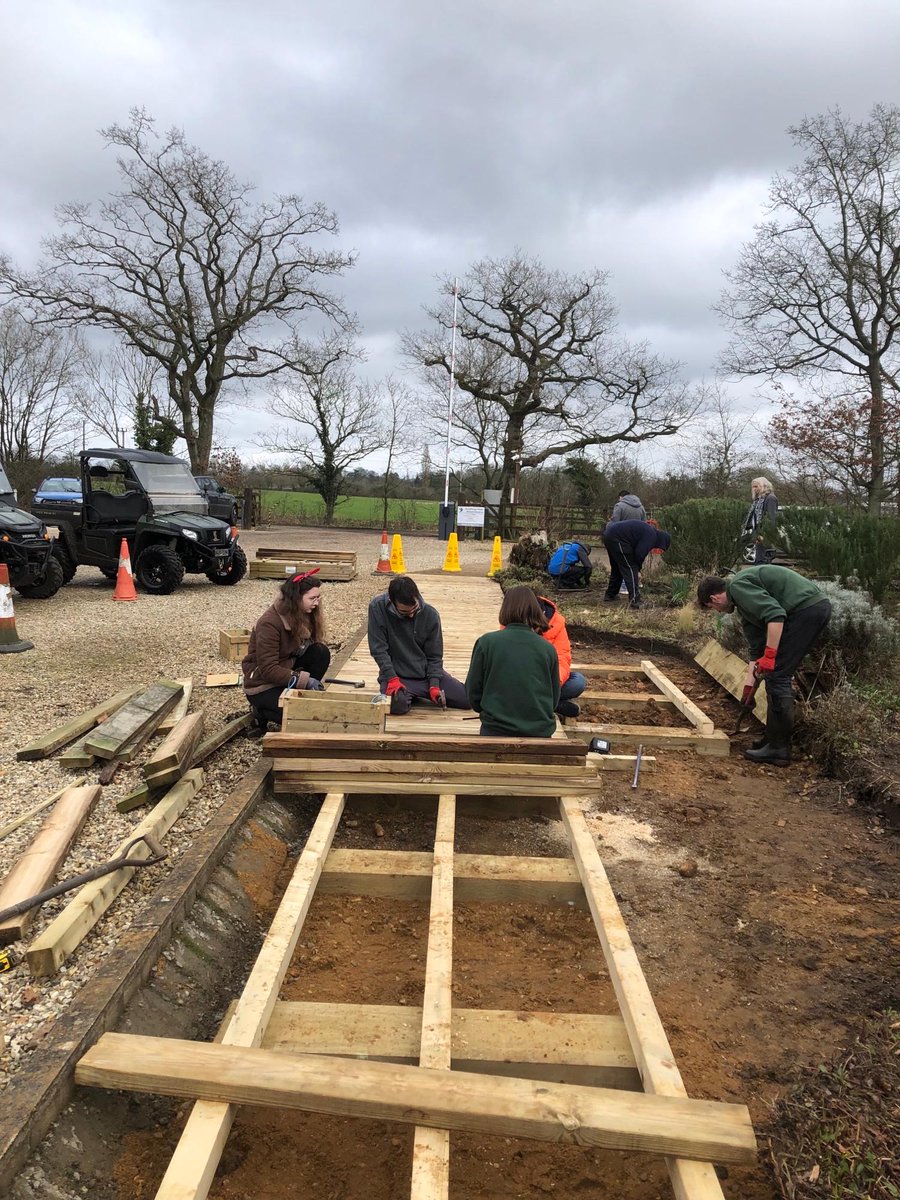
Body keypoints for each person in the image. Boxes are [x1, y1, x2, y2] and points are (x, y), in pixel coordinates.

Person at [697, 566, 831, 767]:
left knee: (777, 676)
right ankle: (772, 739)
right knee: (776, 675)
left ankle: (779, 748)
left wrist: (770, 656)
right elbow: (755, 649)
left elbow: (775, 615)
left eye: (713, 609)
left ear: (713, 600)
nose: (717, 612)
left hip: (806, 610)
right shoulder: (744, 607)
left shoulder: (738, 587)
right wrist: (749, 688)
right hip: (808, 610)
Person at [242, 569, 330, 731]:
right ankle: (261, 711)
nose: (316, 602)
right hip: (262, 683)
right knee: (300, 717)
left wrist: (304, 647)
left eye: (318, 598)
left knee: (320, 652)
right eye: (312, 598)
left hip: (286, 669)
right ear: (296, 598)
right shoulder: (269, 623)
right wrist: (304, 680)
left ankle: (302, 697)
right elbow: (268, 669)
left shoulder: (303, 612)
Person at [466, 586, 560, 737]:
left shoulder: (486, 642)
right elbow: (554, 699)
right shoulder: (547, 649)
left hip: (495, 729)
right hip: (539, 732)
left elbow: (473, 692)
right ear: (535, 610)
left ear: (505, 609)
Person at [367, 575, 469, 714]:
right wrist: (392, 678)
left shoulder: (430, 614)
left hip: (425, 675)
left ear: (417, 596)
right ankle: (408, 694)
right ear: (391, 601)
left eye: (414, 609)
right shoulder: (377, 608)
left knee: (467, 700)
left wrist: (434, 685)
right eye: (404, 612)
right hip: (397, 676)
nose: (410, 615)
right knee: (397, 707)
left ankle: (417, 693)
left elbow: (435, 656)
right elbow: (379, 650)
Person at [536, 593, 586, 719]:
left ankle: (539, 700)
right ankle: (551, 704)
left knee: (577, 682)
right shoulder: (514, 620)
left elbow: (562, 657)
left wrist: (554, 682)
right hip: (524, 679)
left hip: (548, 680)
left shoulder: (557, 624)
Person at [601, 519, 671, 608]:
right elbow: (639, 554)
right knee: (630, 568)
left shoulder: (651, 532)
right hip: (618, 538)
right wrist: (637, 570)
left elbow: (637, 552)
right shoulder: (652, 536)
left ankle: (610, 595)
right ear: (662, 542)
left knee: (617, 568)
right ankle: (635, 601)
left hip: (610, 534)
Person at [742, 477, 779, 563]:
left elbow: (771, 517)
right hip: (758, 532)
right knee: (759, 559)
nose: (754, 489)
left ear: (764, 486)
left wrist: (764, 534)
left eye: (756, 486)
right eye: (753, 487)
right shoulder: (758, 500)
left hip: (765, 534)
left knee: (763, 560)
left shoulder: (770, 498)